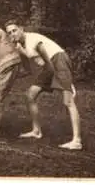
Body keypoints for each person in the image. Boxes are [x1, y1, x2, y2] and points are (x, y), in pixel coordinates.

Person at [5, 20, 82, 150]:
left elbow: (48, 61)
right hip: (49, 66)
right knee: (30, 95)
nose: (12, 34)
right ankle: (36, 131)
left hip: (58, 60)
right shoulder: (21, 45)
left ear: (21, 29)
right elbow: (29, 67)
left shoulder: (32, 40)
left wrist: (67, 83)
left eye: (14, 30)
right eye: (9, 32)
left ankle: (77, 141)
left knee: (68, 101)